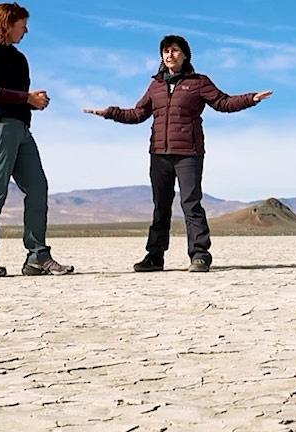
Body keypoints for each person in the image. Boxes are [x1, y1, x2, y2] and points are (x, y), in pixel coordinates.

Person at [84, 35, 271, 273]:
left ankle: (200, 255)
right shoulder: (156, 85)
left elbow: (223, 102)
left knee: (191, 203)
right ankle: (154, 257)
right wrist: (110, 112)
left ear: (185, 55)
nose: (169, 55)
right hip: (159, 153)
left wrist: (251, 98)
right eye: (165, 51)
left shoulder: (199, 82)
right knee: (160, 206)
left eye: (174, 50)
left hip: (188, 153)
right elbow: (137, 114)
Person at [0, 1, 74, 278]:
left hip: (21, 129)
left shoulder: (19, 58)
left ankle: (38, 256)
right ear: (7, 23)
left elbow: (15, 95)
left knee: (38, 187)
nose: (26, 30)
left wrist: (33, 102)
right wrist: (26, 98)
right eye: (22, 25)